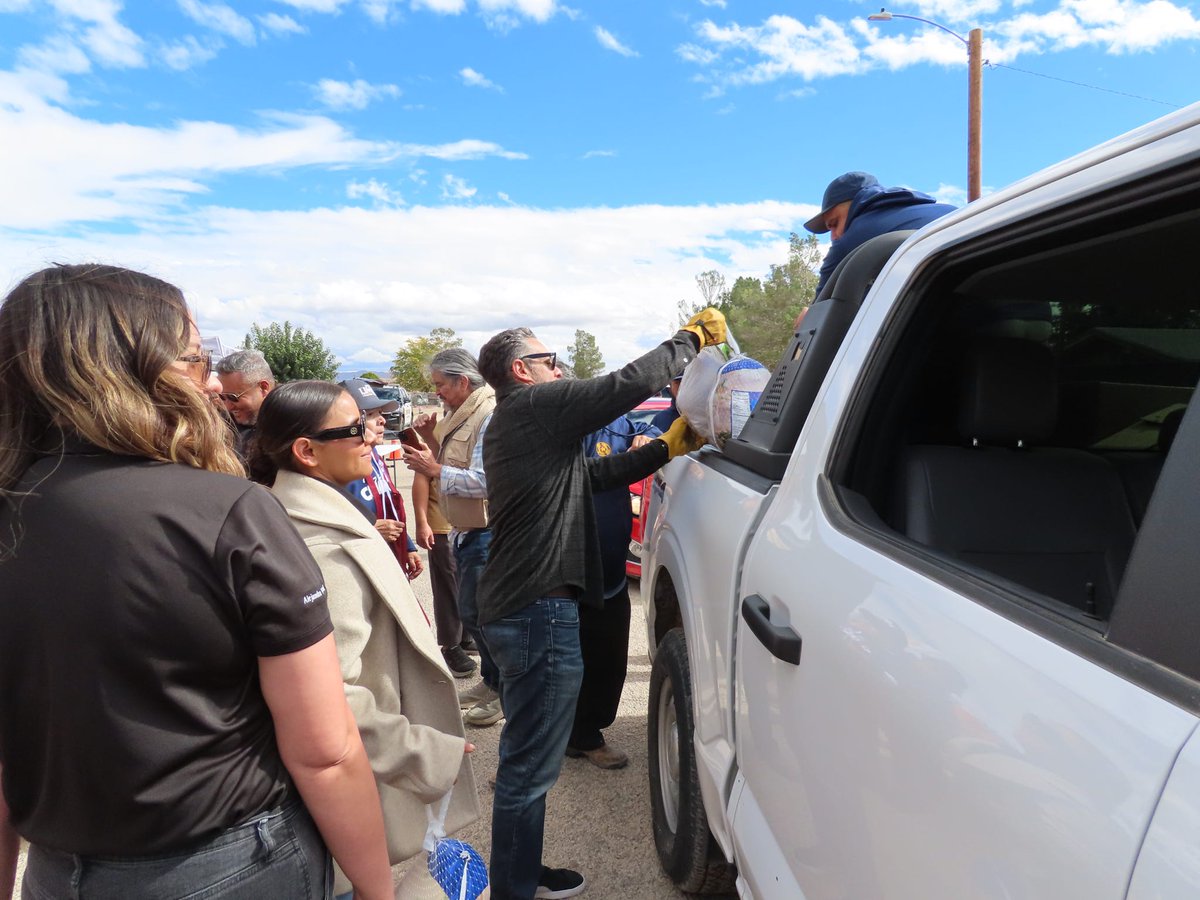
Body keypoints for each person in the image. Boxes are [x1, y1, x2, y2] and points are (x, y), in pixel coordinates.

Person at [0, 264, 392, 900]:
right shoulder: (227, 510)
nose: (210, 384)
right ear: (136, 368)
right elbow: (325, 750)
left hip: (57, 870)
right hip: (228, 864)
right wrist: (379, 891)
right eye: (193, 358)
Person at [474, 310, 722, 900]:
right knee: (529, 768)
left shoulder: (527, 429)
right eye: (550, 359)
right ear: (522, 371)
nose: (559, 367)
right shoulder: (533, 407)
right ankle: (513, 889)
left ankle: (521, 875)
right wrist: (688, 341)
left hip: (523, 607)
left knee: (528, 760)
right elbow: (624, 386)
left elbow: (594, 475)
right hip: (537, 610)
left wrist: (663, 449)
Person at [250, 381, 480, 900]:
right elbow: (330, 695)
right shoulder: (317, 541)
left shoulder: (316, 509)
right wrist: (422, 752)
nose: (370, 439)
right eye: (354, 429)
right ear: (306, 451)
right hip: (346, 781)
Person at [403, 348, 501, 727]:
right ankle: (491, 681)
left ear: (462, 381)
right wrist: (431, 437)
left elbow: (485, 482)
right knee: (473, 614)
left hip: (485, 532)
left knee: (485, 618)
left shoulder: (489, 415)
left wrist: (433, 467)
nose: (437, 393)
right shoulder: (464, 413)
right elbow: (459, 460)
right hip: (467, 531)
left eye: (441, 385)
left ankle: (502, 691)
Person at [568, 414, 662, 770]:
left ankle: (586, 731)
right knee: (565, 660)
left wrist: (648, 437)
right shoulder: (558, 425)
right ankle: (570, 734)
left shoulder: (618, 423)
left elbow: (658, 425)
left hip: (611, 573)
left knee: (608, 657)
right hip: (567, 572)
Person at [806, 171, 957, 296]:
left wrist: (807, 319)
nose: (834, 236)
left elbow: (819, 319)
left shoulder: (849, 242)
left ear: (857, 203)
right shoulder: (952, 212)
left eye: (834, 223)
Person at [338, 378, 425, 582]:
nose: (382, 420)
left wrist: (407, 544)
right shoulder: (338, 467)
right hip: (361, 567)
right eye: (370, 415)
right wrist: (371, 529)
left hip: (386, 556)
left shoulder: (374, 455)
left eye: (380, 413)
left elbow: (387, 504)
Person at [412, 453, 476, 678]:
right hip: (441, 527)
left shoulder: (474, 428)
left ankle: (465, 637)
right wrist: (422, 523)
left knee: (468, 584)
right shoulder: (433, 436)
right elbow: (421, 481)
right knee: (448, 587)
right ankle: (450, 645)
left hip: (467, 524)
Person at [215, 348, 276, 458]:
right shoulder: (218, 423)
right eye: (222, 397)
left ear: (263, 388)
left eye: (233, 397)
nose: (227, 407)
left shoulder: (290, 427)